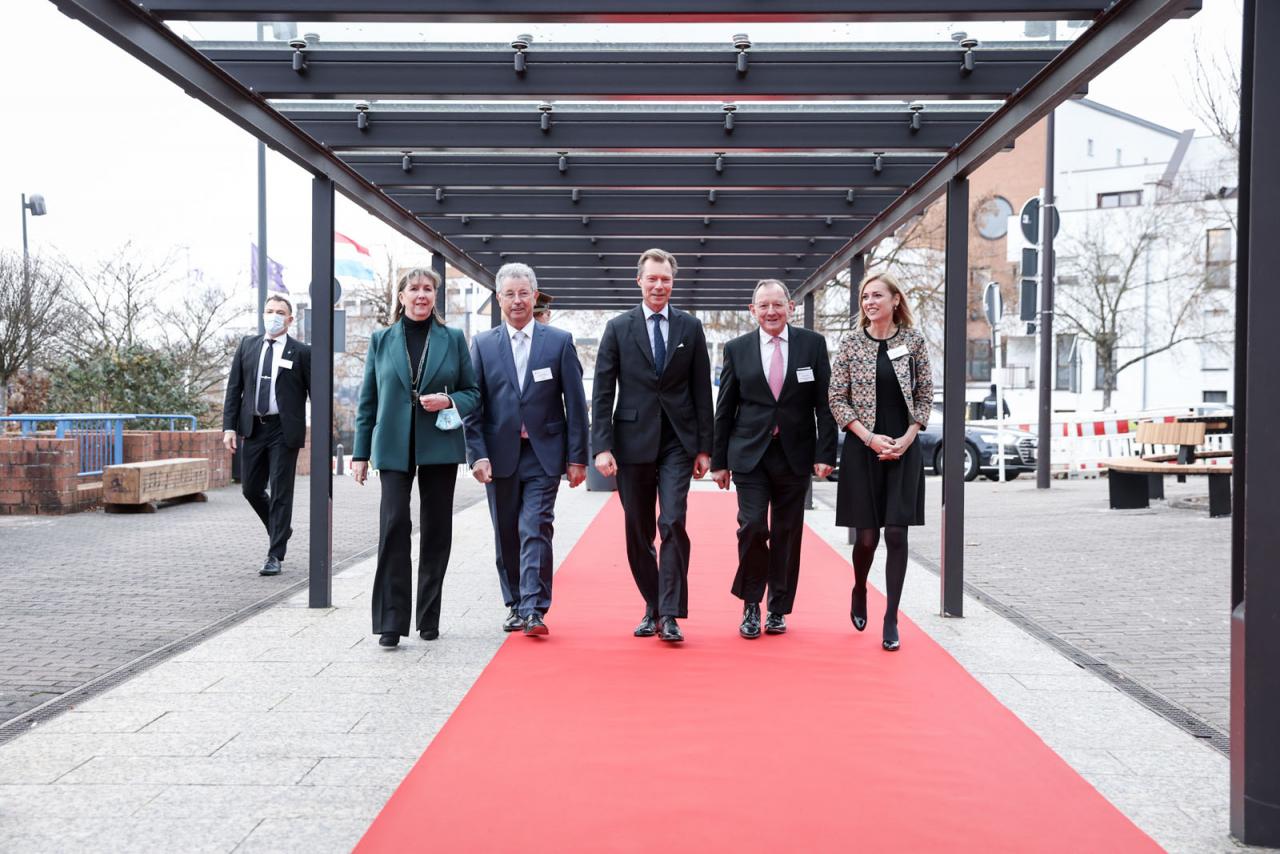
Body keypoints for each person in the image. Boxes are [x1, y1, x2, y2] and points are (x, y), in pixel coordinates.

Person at [351, 268, 480, 648]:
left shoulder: (453, 339)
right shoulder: (381, 340)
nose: (421, 294)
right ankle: (391, 621)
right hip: (392, 444)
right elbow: (368, 400)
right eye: (414, 289)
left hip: (438, 444)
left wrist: (450, 400)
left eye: (428, 289)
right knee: (393, 526)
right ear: (401, 296)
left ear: (435, 296)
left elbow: (473, 392)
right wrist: (360, 453)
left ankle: (428, 616)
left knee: (437, 530)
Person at [592, 248, 713, 643]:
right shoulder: (617, 327)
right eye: (653, 278)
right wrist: (602, 447)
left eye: (666, 279)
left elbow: (701, 391)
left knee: (673, 521)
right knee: (638, 531)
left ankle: (672, 614)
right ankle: (653, 606)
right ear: (639, 281)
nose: (659, 285)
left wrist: (704, 448)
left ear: (672, 283)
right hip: (631, 443)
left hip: (678, 441)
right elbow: (602, 391)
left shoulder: (690, 328)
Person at [465, 263, 589, 637]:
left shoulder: (559, 341)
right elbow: (474, 404)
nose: (517, 301)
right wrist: (477, 454)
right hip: (499, 454)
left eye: (524, 293)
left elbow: (575, 403)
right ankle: (516, 604)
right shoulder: (484, 345)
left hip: (544, 452)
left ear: (535, 297)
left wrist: (577, 457)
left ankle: (534, 608)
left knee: (534, 526)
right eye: (509, 294)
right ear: (499, 299)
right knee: (506, 532)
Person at [711, 280, 837, 639]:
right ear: (752, 311)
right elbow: (726, 408)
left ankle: (778, 607)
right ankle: (751, 603)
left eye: (777, 305)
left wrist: (824, 453)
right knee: (752, 528)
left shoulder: (813, 345)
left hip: (795, 456)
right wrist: (720, 461)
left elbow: (824, 405)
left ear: (791, 307)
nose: (771, 312)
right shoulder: (737, 349)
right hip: (750, 455)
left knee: (787, 533)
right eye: (763, 306)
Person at [828, 272, 933, 652]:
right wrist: (870, 438)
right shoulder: (851, 343)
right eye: (865, 297)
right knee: (868, 538)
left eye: (877, 295)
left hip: (903, 448)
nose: (870, 302)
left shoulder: (914, 341)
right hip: (864, 447)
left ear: (895, 301)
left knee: (897, 533)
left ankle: (891, 616)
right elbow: (837, 398)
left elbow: (925, 396)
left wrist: (905, 440)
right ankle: (859, 587)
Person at [222, 294, 311, 577]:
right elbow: (234, 389)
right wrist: (229, 427)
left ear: (289, 319)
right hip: (254, 427)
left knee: (281, 490)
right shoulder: (247, 346)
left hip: (284, 429)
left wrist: (321, 431)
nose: (273, 316)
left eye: (279, 312)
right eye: (269, 311)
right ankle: (281, 529)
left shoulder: (301, 352)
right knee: (250, 489)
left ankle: (275, 554)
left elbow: (315, 393)